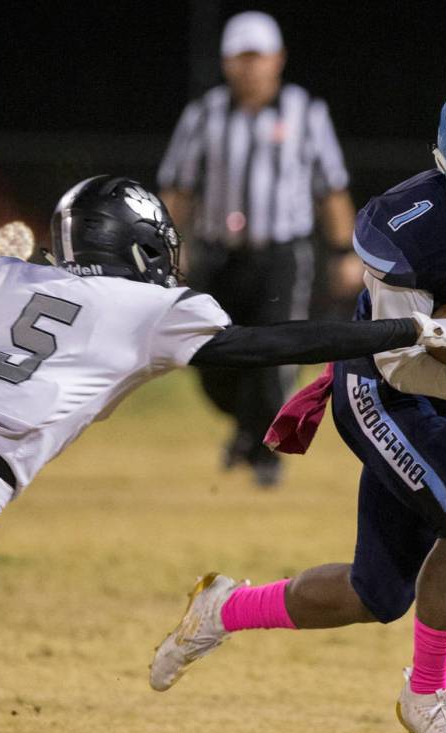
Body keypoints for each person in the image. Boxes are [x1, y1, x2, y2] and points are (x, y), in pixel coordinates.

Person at [0, 175, 446, 733]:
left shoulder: (10, 276)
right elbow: (265, 344)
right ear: (136, 243)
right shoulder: (153, 305)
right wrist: (409, 327)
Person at [150, 78, 446, 733]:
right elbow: (402, 364)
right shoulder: (403, 225)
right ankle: (426, 695)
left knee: (377, 593)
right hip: (381, 384)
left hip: (443, 386)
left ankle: (222, 608)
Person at [158, 11, 363, 487]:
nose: (249, 68)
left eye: (257, 57)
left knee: (276, 355)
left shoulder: (305, 113)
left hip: (282, 255)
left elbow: (331, 188)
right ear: (227, 63)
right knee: (210, 358)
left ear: (278, 60)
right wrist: (169, 248)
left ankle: (264, 452)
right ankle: (248, 429)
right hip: (218, 253)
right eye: (240, 58)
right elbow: (178, 188)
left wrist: (342, 252)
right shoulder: (204, 115)